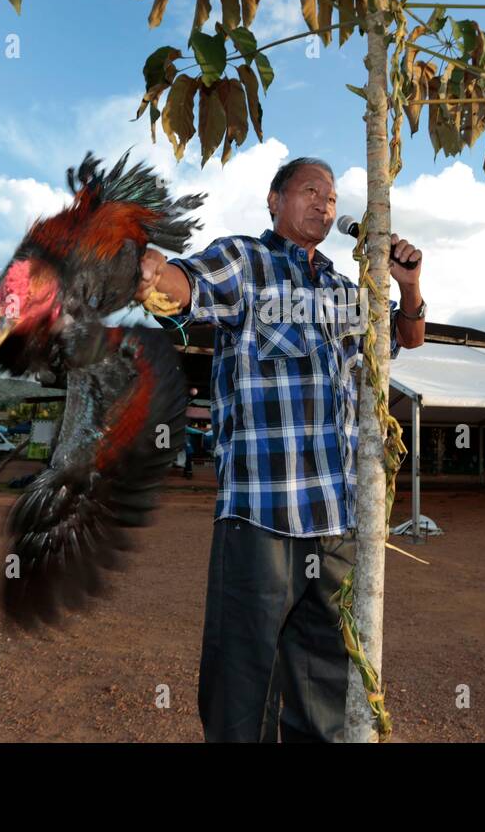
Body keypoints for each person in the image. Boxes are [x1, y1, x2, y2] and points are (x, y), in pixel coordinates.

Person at [135, 156, 426, 742]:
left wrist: (409, 284)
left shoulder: (350, 293)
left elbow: (407, 337)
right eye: (309, 190)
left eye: (331, 195)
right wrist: (148, 274)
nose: (323, 203)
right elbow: (183, 289)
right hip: (260, 520)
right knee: (242, 688)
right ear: (274, 200)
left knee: (321, 688)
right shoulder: (246, 263)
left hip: (334, 525)